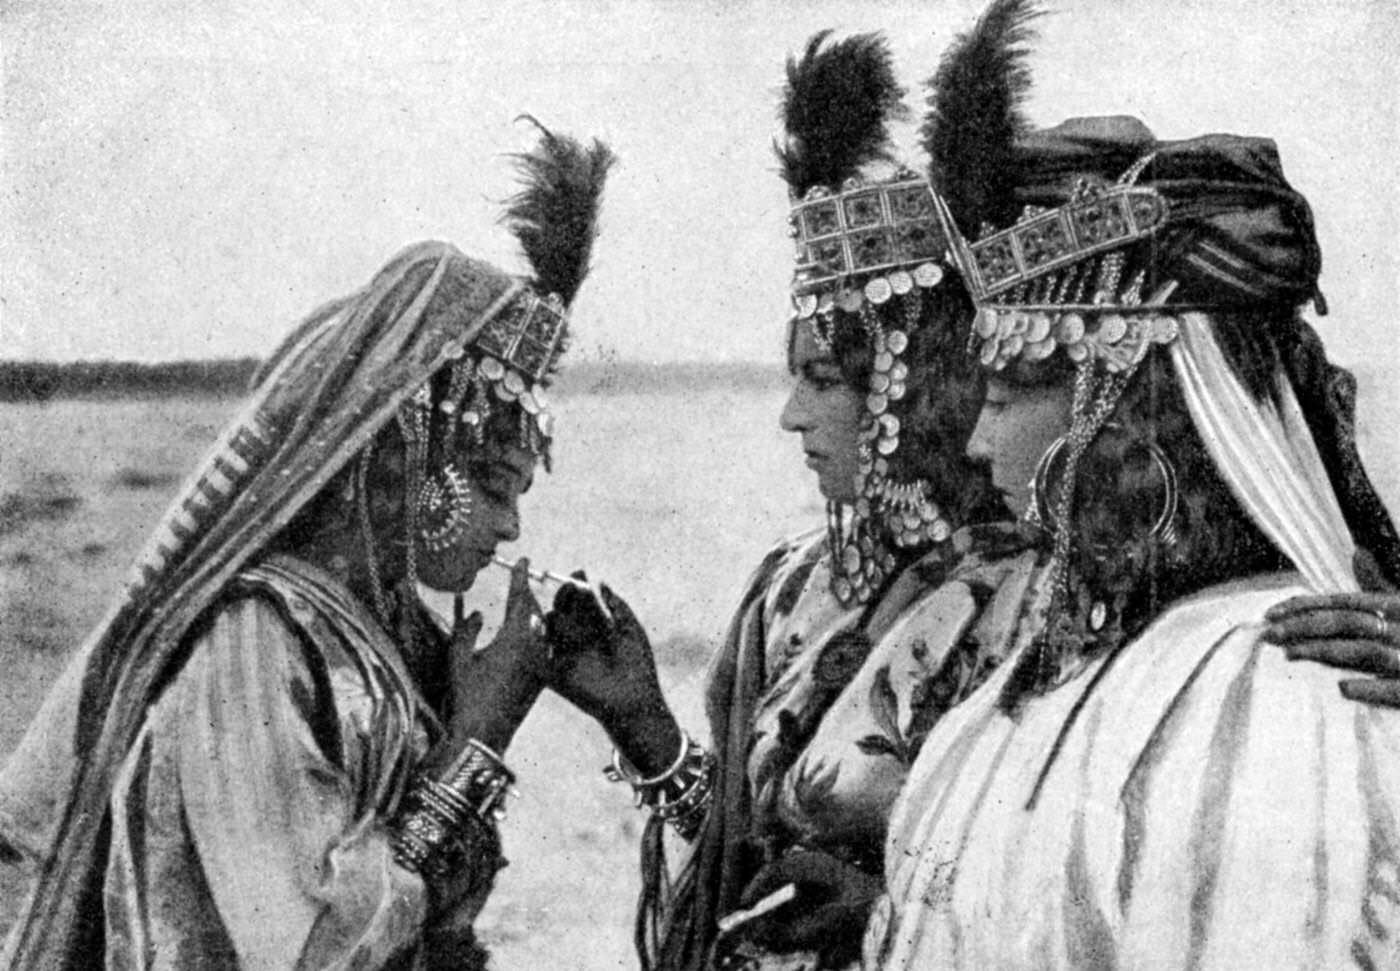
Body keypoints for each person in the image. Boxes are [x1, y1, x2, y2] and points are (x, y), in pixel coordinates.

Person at [0, 123, 614, 969]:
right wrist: (475, 742)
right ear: (415, 454)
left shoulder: (383, 638)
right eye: (501, 490)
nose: (511, 529)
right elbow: (314, 943)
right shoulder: (254, 642)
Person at [865, 2, 1400, 966]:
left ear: (1131, 402)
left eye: (1021, 384)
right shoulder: (1027, 679)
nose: (978, 440)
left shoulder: (1280, 680)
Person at [544, 31, 1031, 971]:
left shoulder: (1037, 599)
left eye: (821, 380)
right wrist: (644, 726)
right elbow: (736, 872)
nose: (790, 415)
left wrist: (888, 909)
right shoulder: (797, 583)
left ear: (902, 389)